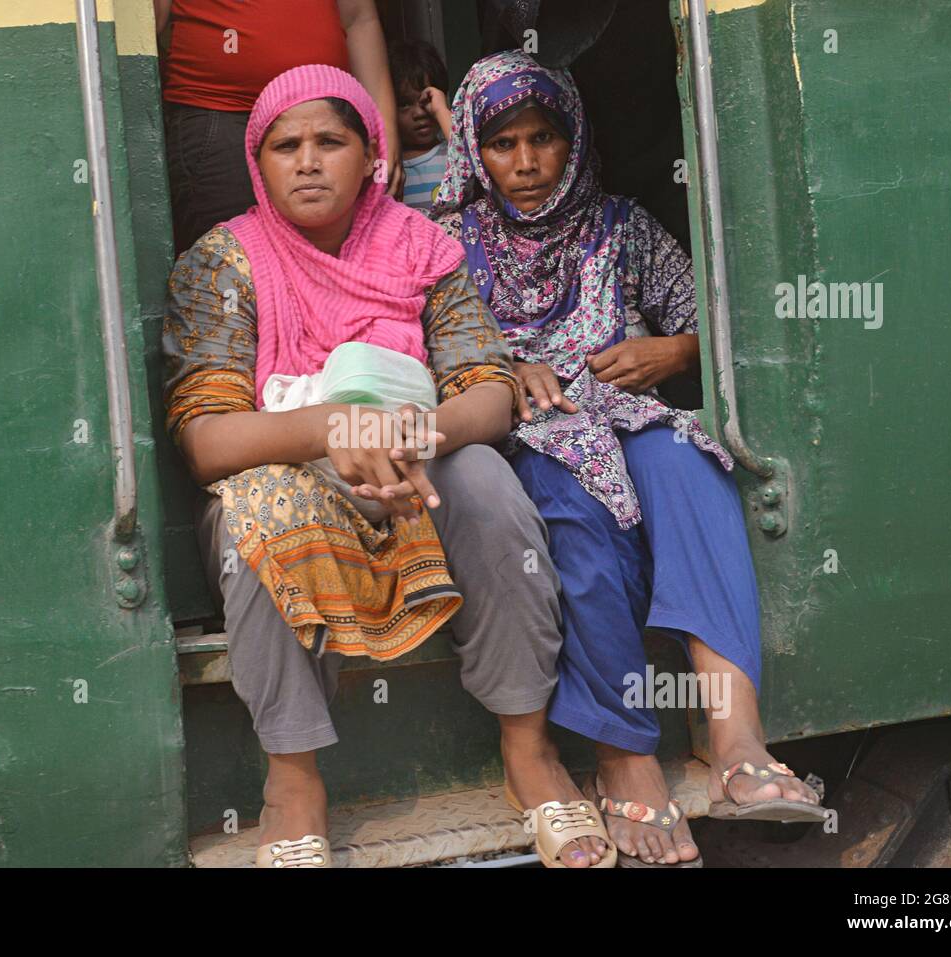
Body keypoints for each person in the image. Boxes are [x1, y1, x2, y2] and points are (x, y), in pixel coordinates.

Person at [164, 64, 616, 868]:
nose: (307, 161)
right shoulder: (224, 262)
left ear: (371, 154)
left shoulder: (424, 249)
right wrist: (331, 428)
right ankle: (293, 781)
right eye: (285, 145)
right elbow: (206, 436)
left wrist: (403, 433)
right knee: (256, 508)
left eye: (330, 141)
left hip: (417, 469)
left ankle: (528, 749)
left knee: (486, 479)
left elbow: (487, 394)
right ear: (257, 162)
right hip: (297, 475)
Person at [433, 50, 826, 868]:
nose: (529, 161)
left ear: (572, 139)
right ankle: (624, 750)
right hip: (526, 435)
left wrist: (668, 352)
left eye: (544, 137)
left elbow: (713, 323)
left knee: (690, 460)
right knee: (574, 515)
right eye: (504, 143)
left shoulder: (621, 227)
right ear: (475, 150)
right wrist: (501, 371)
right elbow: (423, 355)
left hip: (627, 413)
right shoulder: (445, 243)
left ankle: (735, 735)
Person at [155, 0, 404, 254]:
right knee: (235, 260)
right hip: (222, 111)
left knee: (336, 259)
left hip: (326, 114)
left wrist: (385, 129)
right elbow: (146, 21)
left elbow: (359, 19)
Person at [388, 39, 453, 214]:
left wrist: (441, 111)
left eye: (427, 100)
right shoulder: (389, 165)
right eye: (404, 104)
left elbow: (470, 160)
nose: (419, 113)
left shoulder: (451, 153)